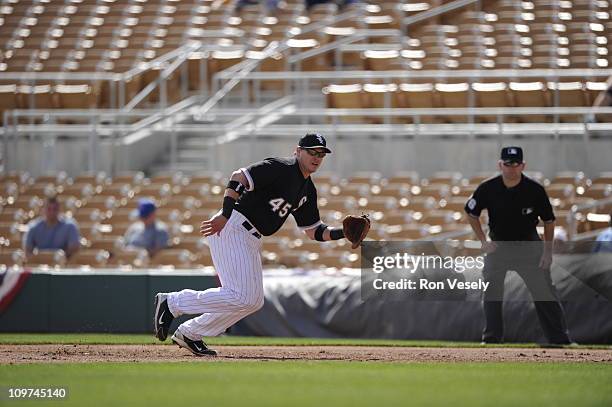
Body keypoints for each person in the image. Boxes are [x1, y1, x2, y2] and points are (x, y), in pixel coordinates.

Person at [154, 133, 350, 356]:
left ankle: (190, 333)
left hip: (250, 236)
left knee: (252, 301)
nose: (317, 157)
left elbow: (314, 231)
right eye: (312, 151)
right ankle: (173, 302)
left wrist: (343, 233)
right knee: (241, 296)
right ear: (298, 151)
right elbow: (239, 176)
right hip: (233, 226)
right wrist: (225, 214)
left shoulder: (307, 189)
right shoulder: (282, 167)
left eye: (321, 153)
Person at [464, 146, 573, 346]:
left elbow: (549, 221)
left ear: (523, 165)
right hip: (498, 245)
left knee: (544, 291)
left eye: (516, 164)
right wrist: (483, 241)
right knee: (491, 291)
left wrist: (547, 252)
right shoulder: (488, 188)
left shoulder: (535, 190)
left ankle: (559, 339)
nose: (511, 168)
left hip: (529, 246)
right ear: (500, 165)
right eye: (507, 164)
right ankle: (492, 339)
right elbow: (471, 213)